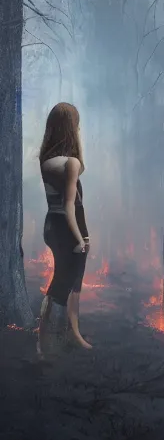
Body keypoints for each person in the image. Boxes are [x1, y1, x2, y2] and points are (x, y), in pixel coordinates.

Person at [36, 102, 92, 355]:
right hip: (69, 227)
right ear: (72, 128)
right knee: (64, 284)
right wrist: (79, 238)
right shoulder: (70, 163)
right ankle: (48, 341)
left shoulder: (47, 160)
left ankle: (71, 335)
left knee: (70, 282)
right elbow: (70, 205)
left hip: (52, 224)